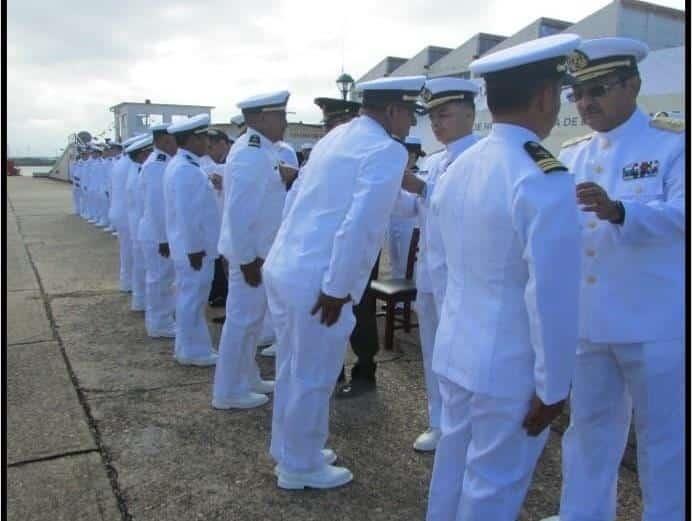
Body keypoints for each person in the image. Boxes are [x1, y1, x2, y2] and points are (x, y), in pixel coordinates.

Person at [425, 34, 582, 521]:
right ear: (544, 97)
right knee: (493, 485)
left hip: (456, 349)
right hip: (509, 365)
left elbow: (440, 263)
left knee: (451, 469)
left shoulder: (457, 166)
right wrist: (553, 385)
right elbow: (551, 295)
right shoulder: (544, 176)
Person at [541, 37, 685, 521]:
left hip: (654, 321)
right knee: (588, 430)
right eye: (577, 93)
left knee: (664, 438)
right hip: (591, 322)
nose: (586, 103)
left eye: (598, 89)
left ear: (633, 84)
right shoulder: (573, 152)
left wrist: (620, 210)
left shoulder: (672, 143)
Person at [263, 75, 424, 490]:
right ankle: (300, 467)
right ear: (392, 110)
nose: (412, 123)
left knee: (291, 367)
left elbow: (300, 198)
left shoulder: (337, 138)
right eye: (409, 113)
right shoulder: (387, 149)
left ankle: (291, 448)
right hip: (320, 280)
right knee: (315, 373)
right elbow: (361, 226)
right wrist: (337, 289)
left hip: (287, 266)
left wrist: (424, 193)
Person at [394, 77, 481, 452]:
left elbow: (467, 209)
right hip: (429, 274)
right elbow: (415, 210)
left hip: (465, 281)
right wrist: (396, 188)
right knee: (434, 352)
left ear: (469, 113)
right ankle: (439, 421)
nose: (437, 124)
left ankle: (472, 425)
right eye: (432, 117)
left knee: (465, 356)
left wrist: (423, 189)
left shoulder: (480, 158)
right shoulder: (433, 160)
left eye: (444, 115)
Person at [212, 91, 290, 409]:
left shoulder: (262, 151)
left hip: (259, 253)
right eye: (279, 115)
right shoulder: (250, 153)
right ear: (258, 119)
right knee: (241, 322)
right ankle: (227, 392)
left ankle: (248, 377)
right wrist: (246, 260)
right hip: (251, 256)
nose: (285, 122)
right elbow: (238, 211)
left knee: (252, 323)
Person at [309, 96, 384, 399]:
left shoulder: (370, 151)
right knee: (328, 310)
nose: (330, 128)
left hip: (358, 245)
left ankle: (365, 370)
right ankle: (334, 369)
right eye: (327, 124)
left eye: (335, 122)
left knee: (361, 307)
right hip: (327, 245)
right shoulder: (327, 152)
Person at [163, 114, 220, 367]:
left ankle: (191, 347)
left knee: (190, 299)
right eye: (203, 137)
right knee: (192, 300)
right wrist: (195, 248)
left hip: (189, 247)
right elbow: (187, 215)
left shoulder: (183, 165)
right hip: (194, 249)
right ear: (192, 139)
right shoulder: (186, 170)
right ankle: (192, 351)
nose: (207, 141)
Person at [138, 123, 178, 338]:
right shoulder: (156, 165)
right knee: (159, 278)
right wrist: (163, 238)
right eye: (174, 141)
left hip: (159, 230)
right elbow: (156, 205)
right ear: (164, 141)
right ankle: (159, 324)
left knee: (164, 278)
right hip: (157, 232)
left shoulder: (164, 162)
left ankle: (163, 319)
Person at [200, 128, 232, 309]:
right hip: (218, 224)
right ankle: (221, 296)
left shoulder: (232, 162)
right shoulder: (209, 165)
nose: (209, 151)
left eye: (212, 146)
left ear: (223, 143)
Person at [109, 134, 145, 293]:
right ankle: (134, 289)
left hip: (119, 212)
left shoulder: (119, 163)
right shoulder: (132, 166)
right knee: (135, 255)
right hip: (129, 214)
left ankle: (127, 283)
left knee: (126, 252)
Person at [387, 136, 423, 281]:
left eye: (414, 156)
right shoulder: (395, 174)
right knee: (395, 261)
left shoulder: (420, 175)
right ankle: (398, 301)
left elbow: (412, 205)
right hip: (393, 221)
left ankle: (404, 300)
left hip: (410, 224)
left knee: (407, 263)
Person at [126, 137, 151, 312]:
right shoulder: (143, 171)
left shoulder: (135, 170)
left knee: (142, 267)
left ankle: (141, 301)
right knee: (150, 271)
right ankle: (145, 304)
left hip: (138, 225)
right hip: (145, 226)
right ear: (143, 154)